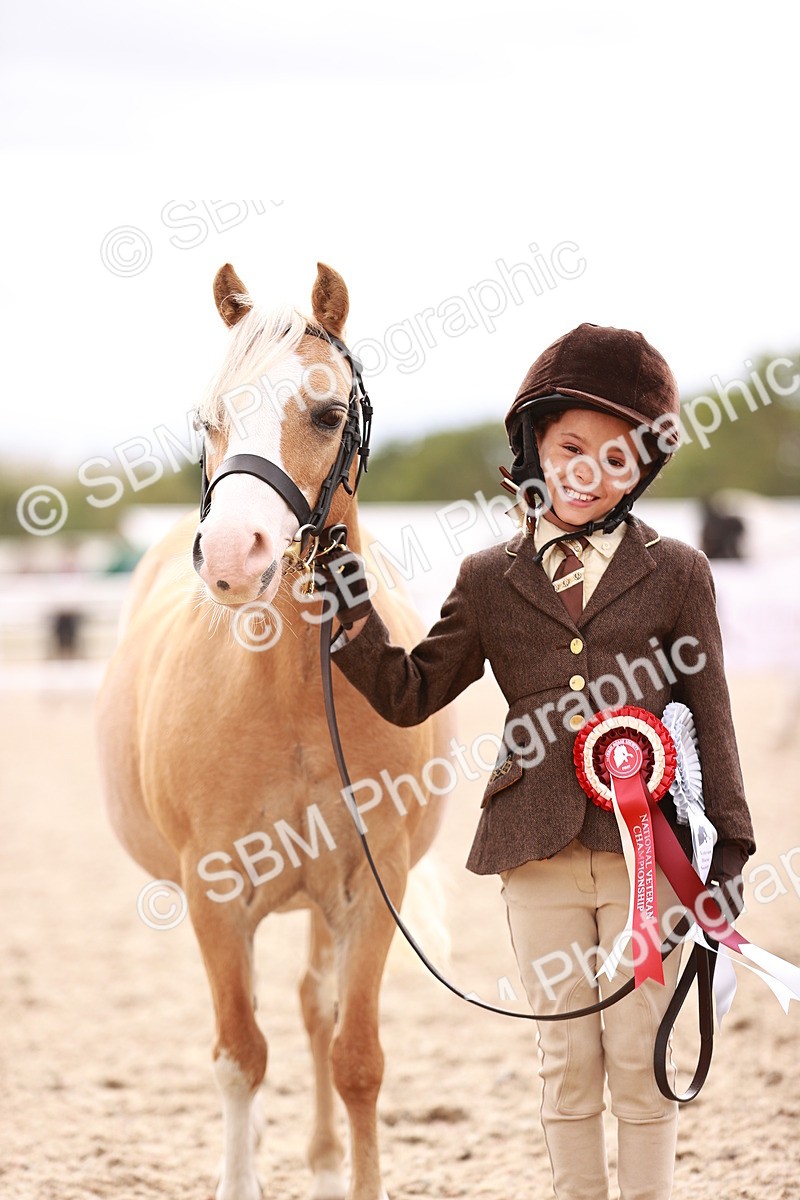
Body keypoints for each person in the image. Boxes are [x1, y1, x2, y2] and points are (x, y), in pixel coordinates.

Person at [321, 323, 756, 1200]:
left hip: (654, 853)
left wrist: (732, 855)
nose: (592, 471)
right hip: (533, 849)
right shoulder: (488, 575)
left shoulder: (678, 572)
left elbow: (713, 717)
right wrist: (345, 604)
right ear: (535, 446)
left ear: (645, 472)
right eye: (572, 449)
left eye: (620, 457)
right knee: (564, 1059)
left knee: (640, 1056)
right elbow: (412, 692)